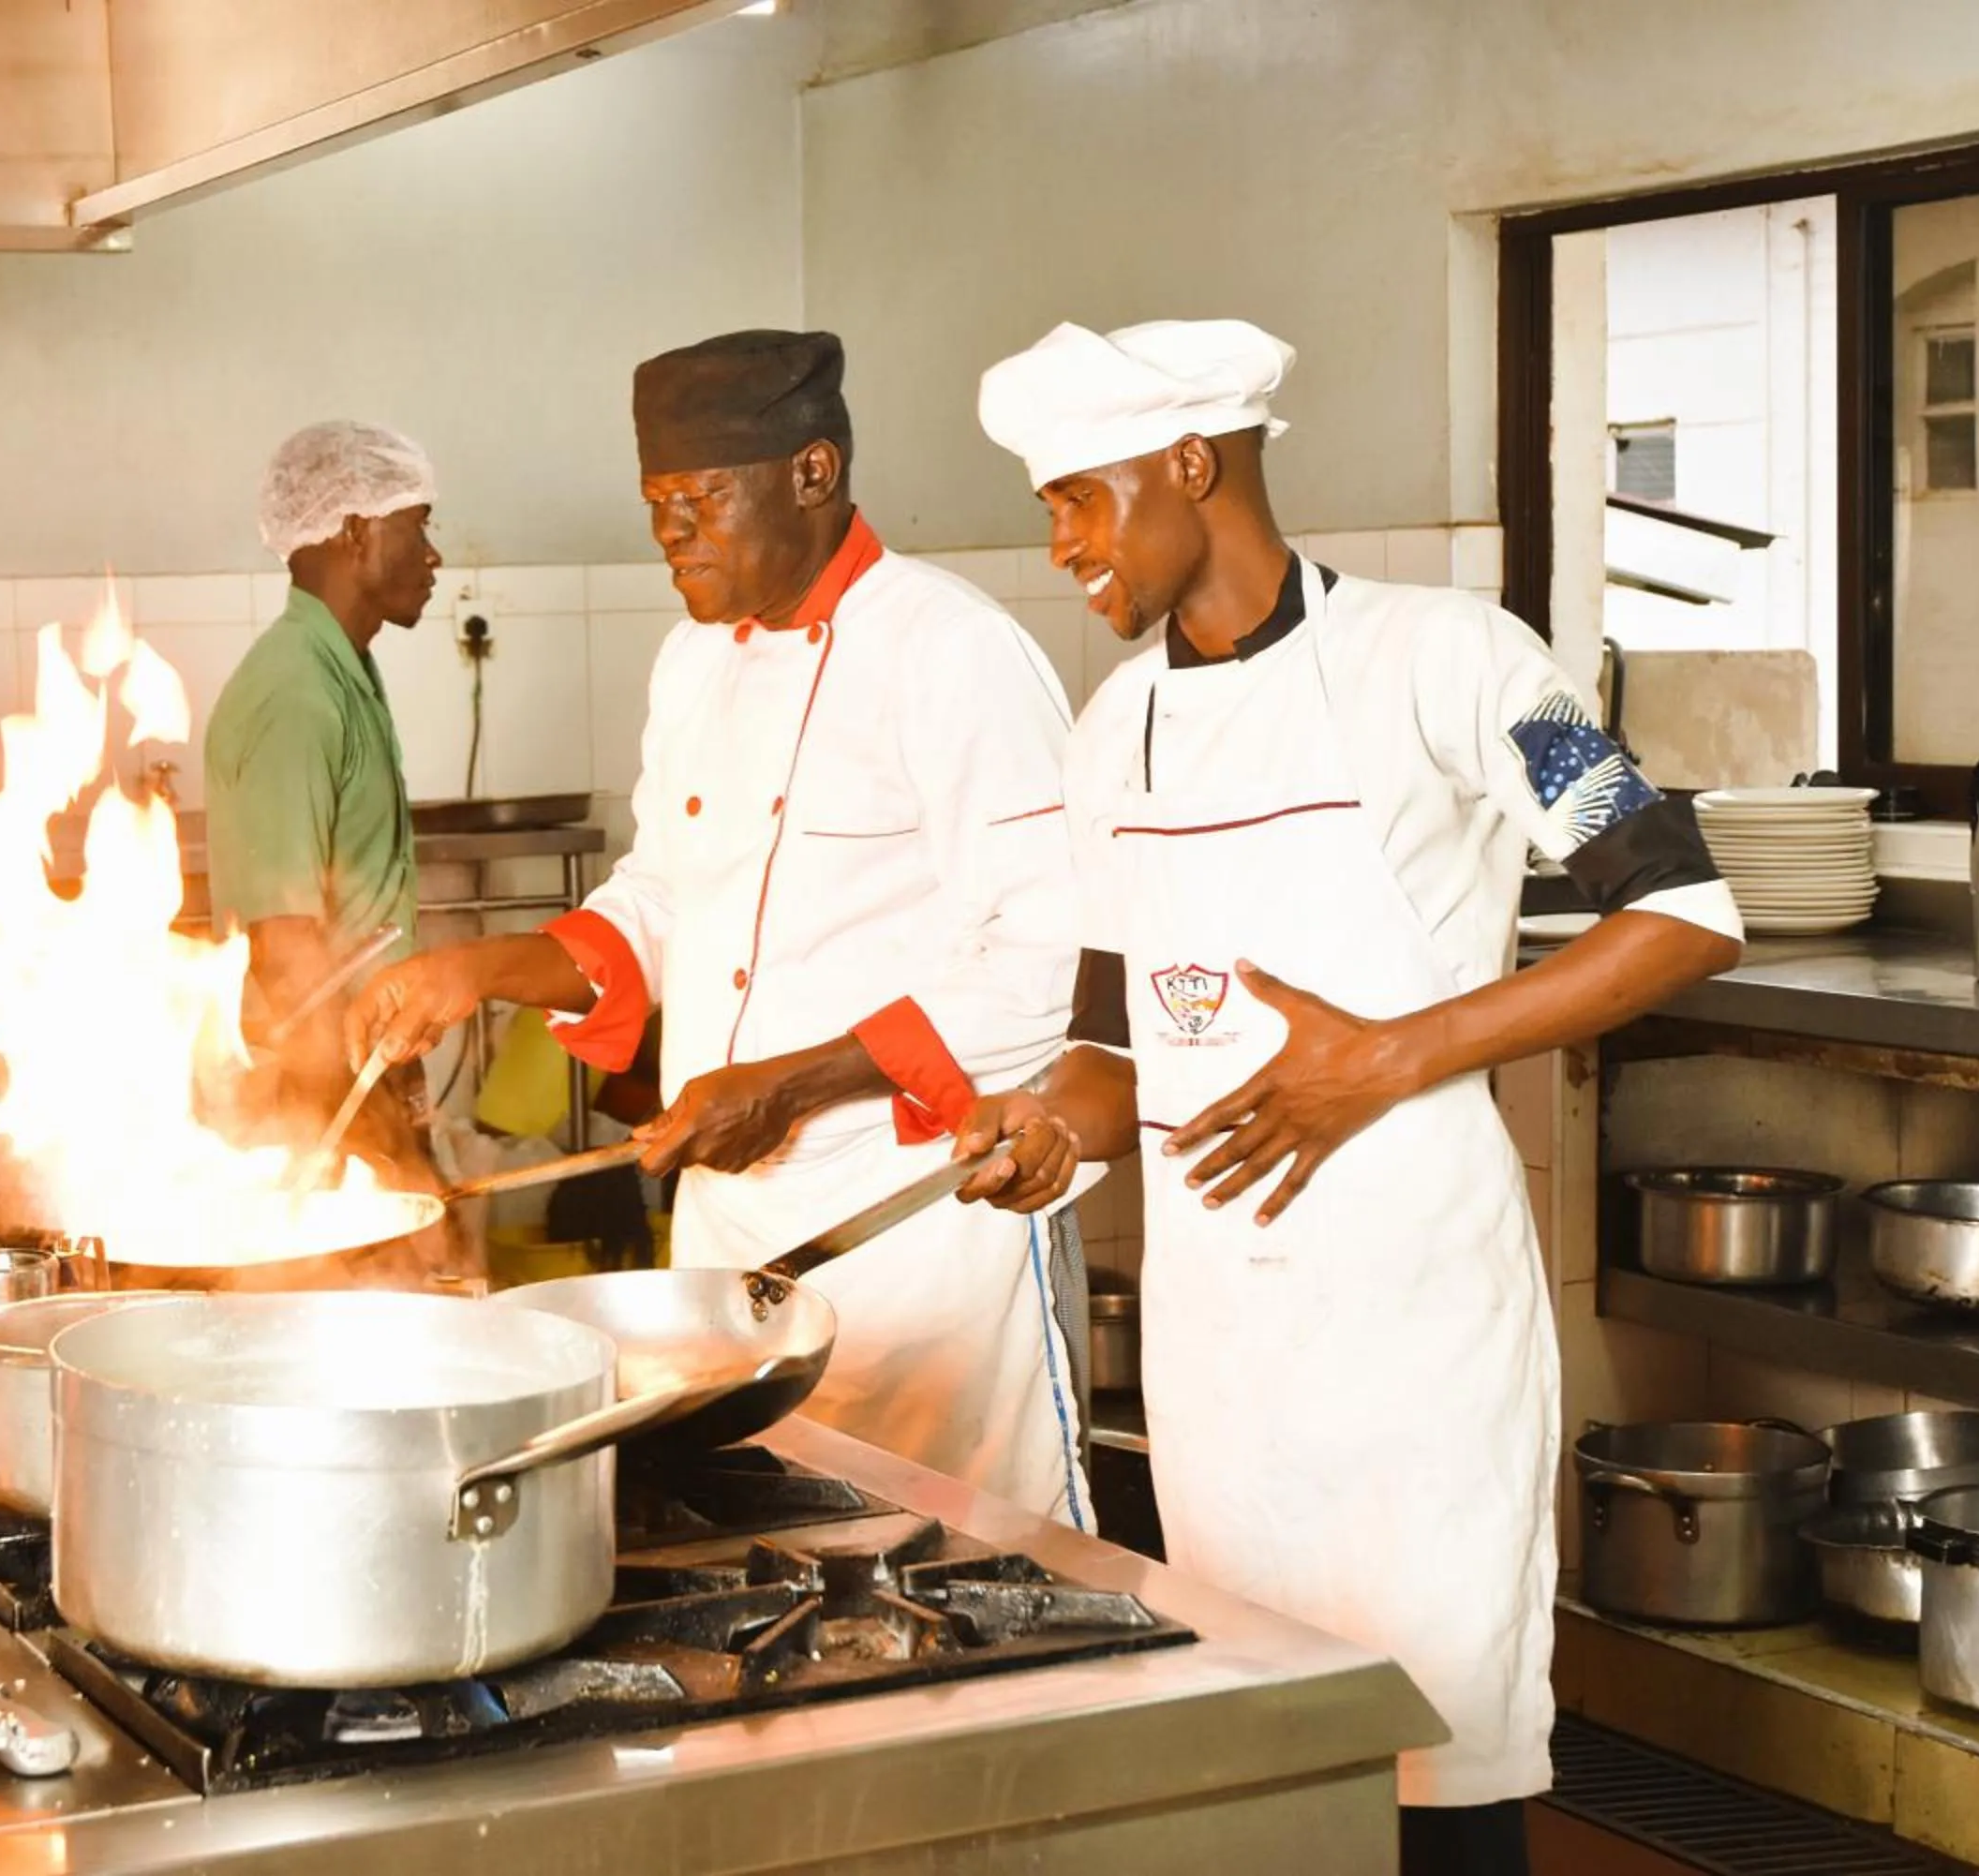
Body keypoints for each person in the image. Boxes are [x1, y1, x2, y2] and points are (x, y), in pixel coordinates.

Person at [962, 319, 1743, 1876]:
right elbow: (1129, 1039)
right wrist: (1054, 1114)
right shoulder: (1117, 727)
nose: (1059, 545)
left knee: (1436, 1784)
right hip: (1223, 1362)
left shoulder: (1459, 655)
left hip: (1412, 1351)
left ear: (1195, 463)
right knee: (1271, 1791)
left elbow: (1680, 907)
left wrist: (1382, 1054)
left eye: (1081, 499)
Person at [352, 329, 1094, 1524]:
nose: (669, 533)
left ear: (811, 474)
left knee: (975, 1579)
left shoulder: (953, 651)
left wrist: (793, 1087)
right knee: (759, 1579)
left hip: (914, 1231)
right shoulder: (692, 662)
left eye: (701, 498)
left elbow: (1042, 961)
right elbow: (663, 891)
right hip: (729, 1245)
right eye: (656, 502)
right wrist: (490, 968)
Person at [206, 420, 464, 1282]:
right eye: (419, 524)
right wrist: (384, 1144)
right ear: (356, 529)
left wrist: (401, 1074)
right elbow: (285, 951)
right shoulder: (294, 692)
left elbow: (357, 908)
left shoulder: (340, 669)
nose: (433, 554)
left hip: (352, 1083)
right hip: (309, 1105)